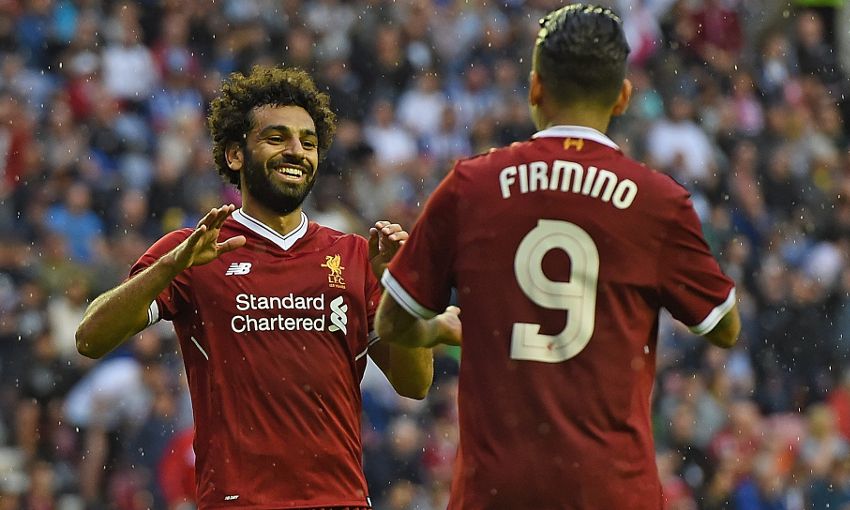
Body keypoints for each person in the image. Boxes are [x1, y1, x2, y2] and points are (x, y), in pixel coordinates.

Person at [374, 4, 741, 509]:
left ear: (534, 88)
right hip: (612, 491)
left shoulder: (471, 186)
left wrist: (438, 329)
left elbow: (392, 323)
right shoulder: (658, 202)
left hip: (497, 492)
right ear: (623, 97)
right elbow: (723, 326)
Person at [76, 65, 452, 509]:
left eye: (308, 142)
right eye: (277, 138)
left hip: (339, 501)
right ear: (236, 155)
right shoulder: (196, 249)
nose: (296, 151)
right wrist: (168, 267)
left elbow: (415, 383)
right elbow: (90, 338)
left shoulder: (355, 255)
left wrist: (397, 289)